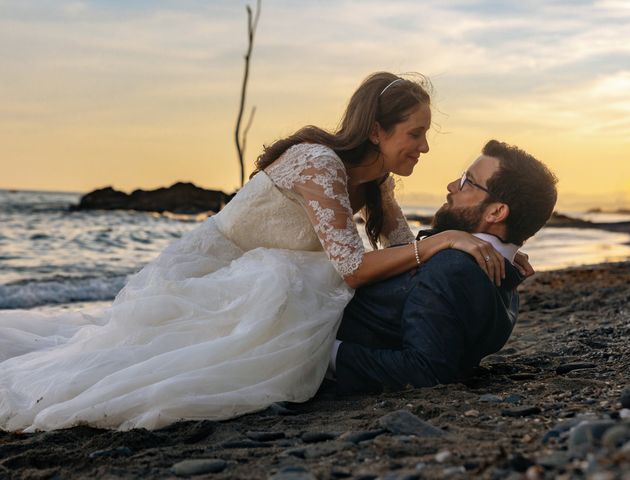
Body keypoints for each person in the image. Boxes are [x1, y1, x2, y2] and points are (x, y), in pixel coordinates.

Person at [0, 72, 512, 432]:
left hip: (269, 274)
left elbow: (406, 259)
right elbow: (355, 270)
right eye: (415, 134)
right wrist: (447, 238)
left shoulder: (377, 183)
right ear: (376, 130)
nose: (423, 148)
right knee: (132, 364)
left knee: (295, 286)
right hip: (212, 271)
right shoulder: (319, 163)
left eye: (425, 135)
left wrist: (493, 254)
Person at [332, 139, 558, 394]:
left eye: (467, 182)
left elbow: (426, 371)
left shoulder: (453, 267)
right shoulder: (506, 279)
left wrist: (327, 353)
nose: (452, 186)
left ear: (496, 212)